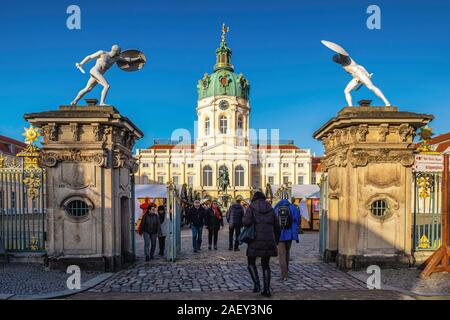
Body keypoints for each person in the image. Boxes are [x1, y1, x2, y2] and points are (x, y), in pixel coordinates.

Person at [243, 191, 280, 297]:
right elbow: (277, 226)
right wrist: (276, 240)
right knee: (266, 265)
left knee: (251, 262)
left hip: (255, 239)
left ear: (254, 198)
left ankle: (257, 285)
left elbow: (245, 222)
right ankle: (267, 290)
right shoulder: (270, 208)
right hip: (269, 239)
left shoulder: (251, 207)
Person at [274, 196, 300, 281]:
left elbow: (273, 221)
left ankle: (284, 274)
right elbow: (297, 220)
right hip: (290, 234)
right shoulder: (293, 207)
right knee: (287, 251)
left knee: (281, 254)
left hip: (280, 234)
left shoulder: (277, 208)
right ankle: (286, 270)